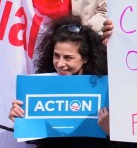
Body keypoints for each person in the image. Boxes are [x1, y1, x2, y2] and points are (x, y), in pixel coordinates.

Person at [8, 15, 112, 148]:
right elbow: (38, 138)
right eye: (56, 55)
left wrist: (110, 131)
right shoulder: (42, 85)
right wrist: (22, 120)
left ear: (85, 58)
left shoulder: (106, 89)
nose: (60, 64)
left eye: (68, 58)